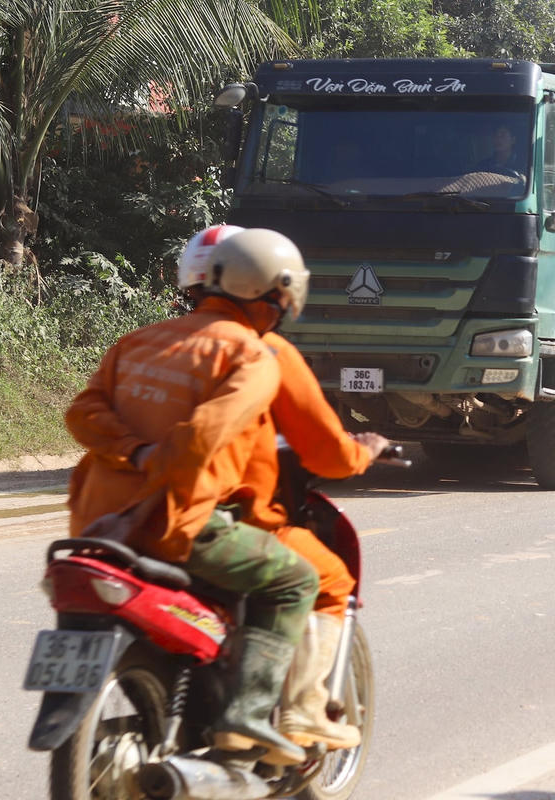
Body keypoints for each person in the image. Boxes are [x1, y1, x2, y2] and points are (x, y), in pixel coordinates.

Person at [66, 229, 320, 767]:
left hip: (94, 524)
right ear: (277, 296)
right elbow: (205, 435)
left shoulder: (139, 340)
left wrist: (134, 453)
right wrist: (153, 478)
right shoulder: (253, 356)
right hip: (175, 525)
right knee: (296, 580)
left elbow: (82, 413)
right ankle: (246, 718)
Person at [176, 225, 389, 751]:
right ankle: (299, 711)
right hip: (221, 518)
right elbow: (323, 452)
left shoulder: (156, 341)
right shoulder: (266, 354)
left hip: (128, 513)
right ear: (275, 288)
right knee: (325, 577)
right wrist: (363, 452)